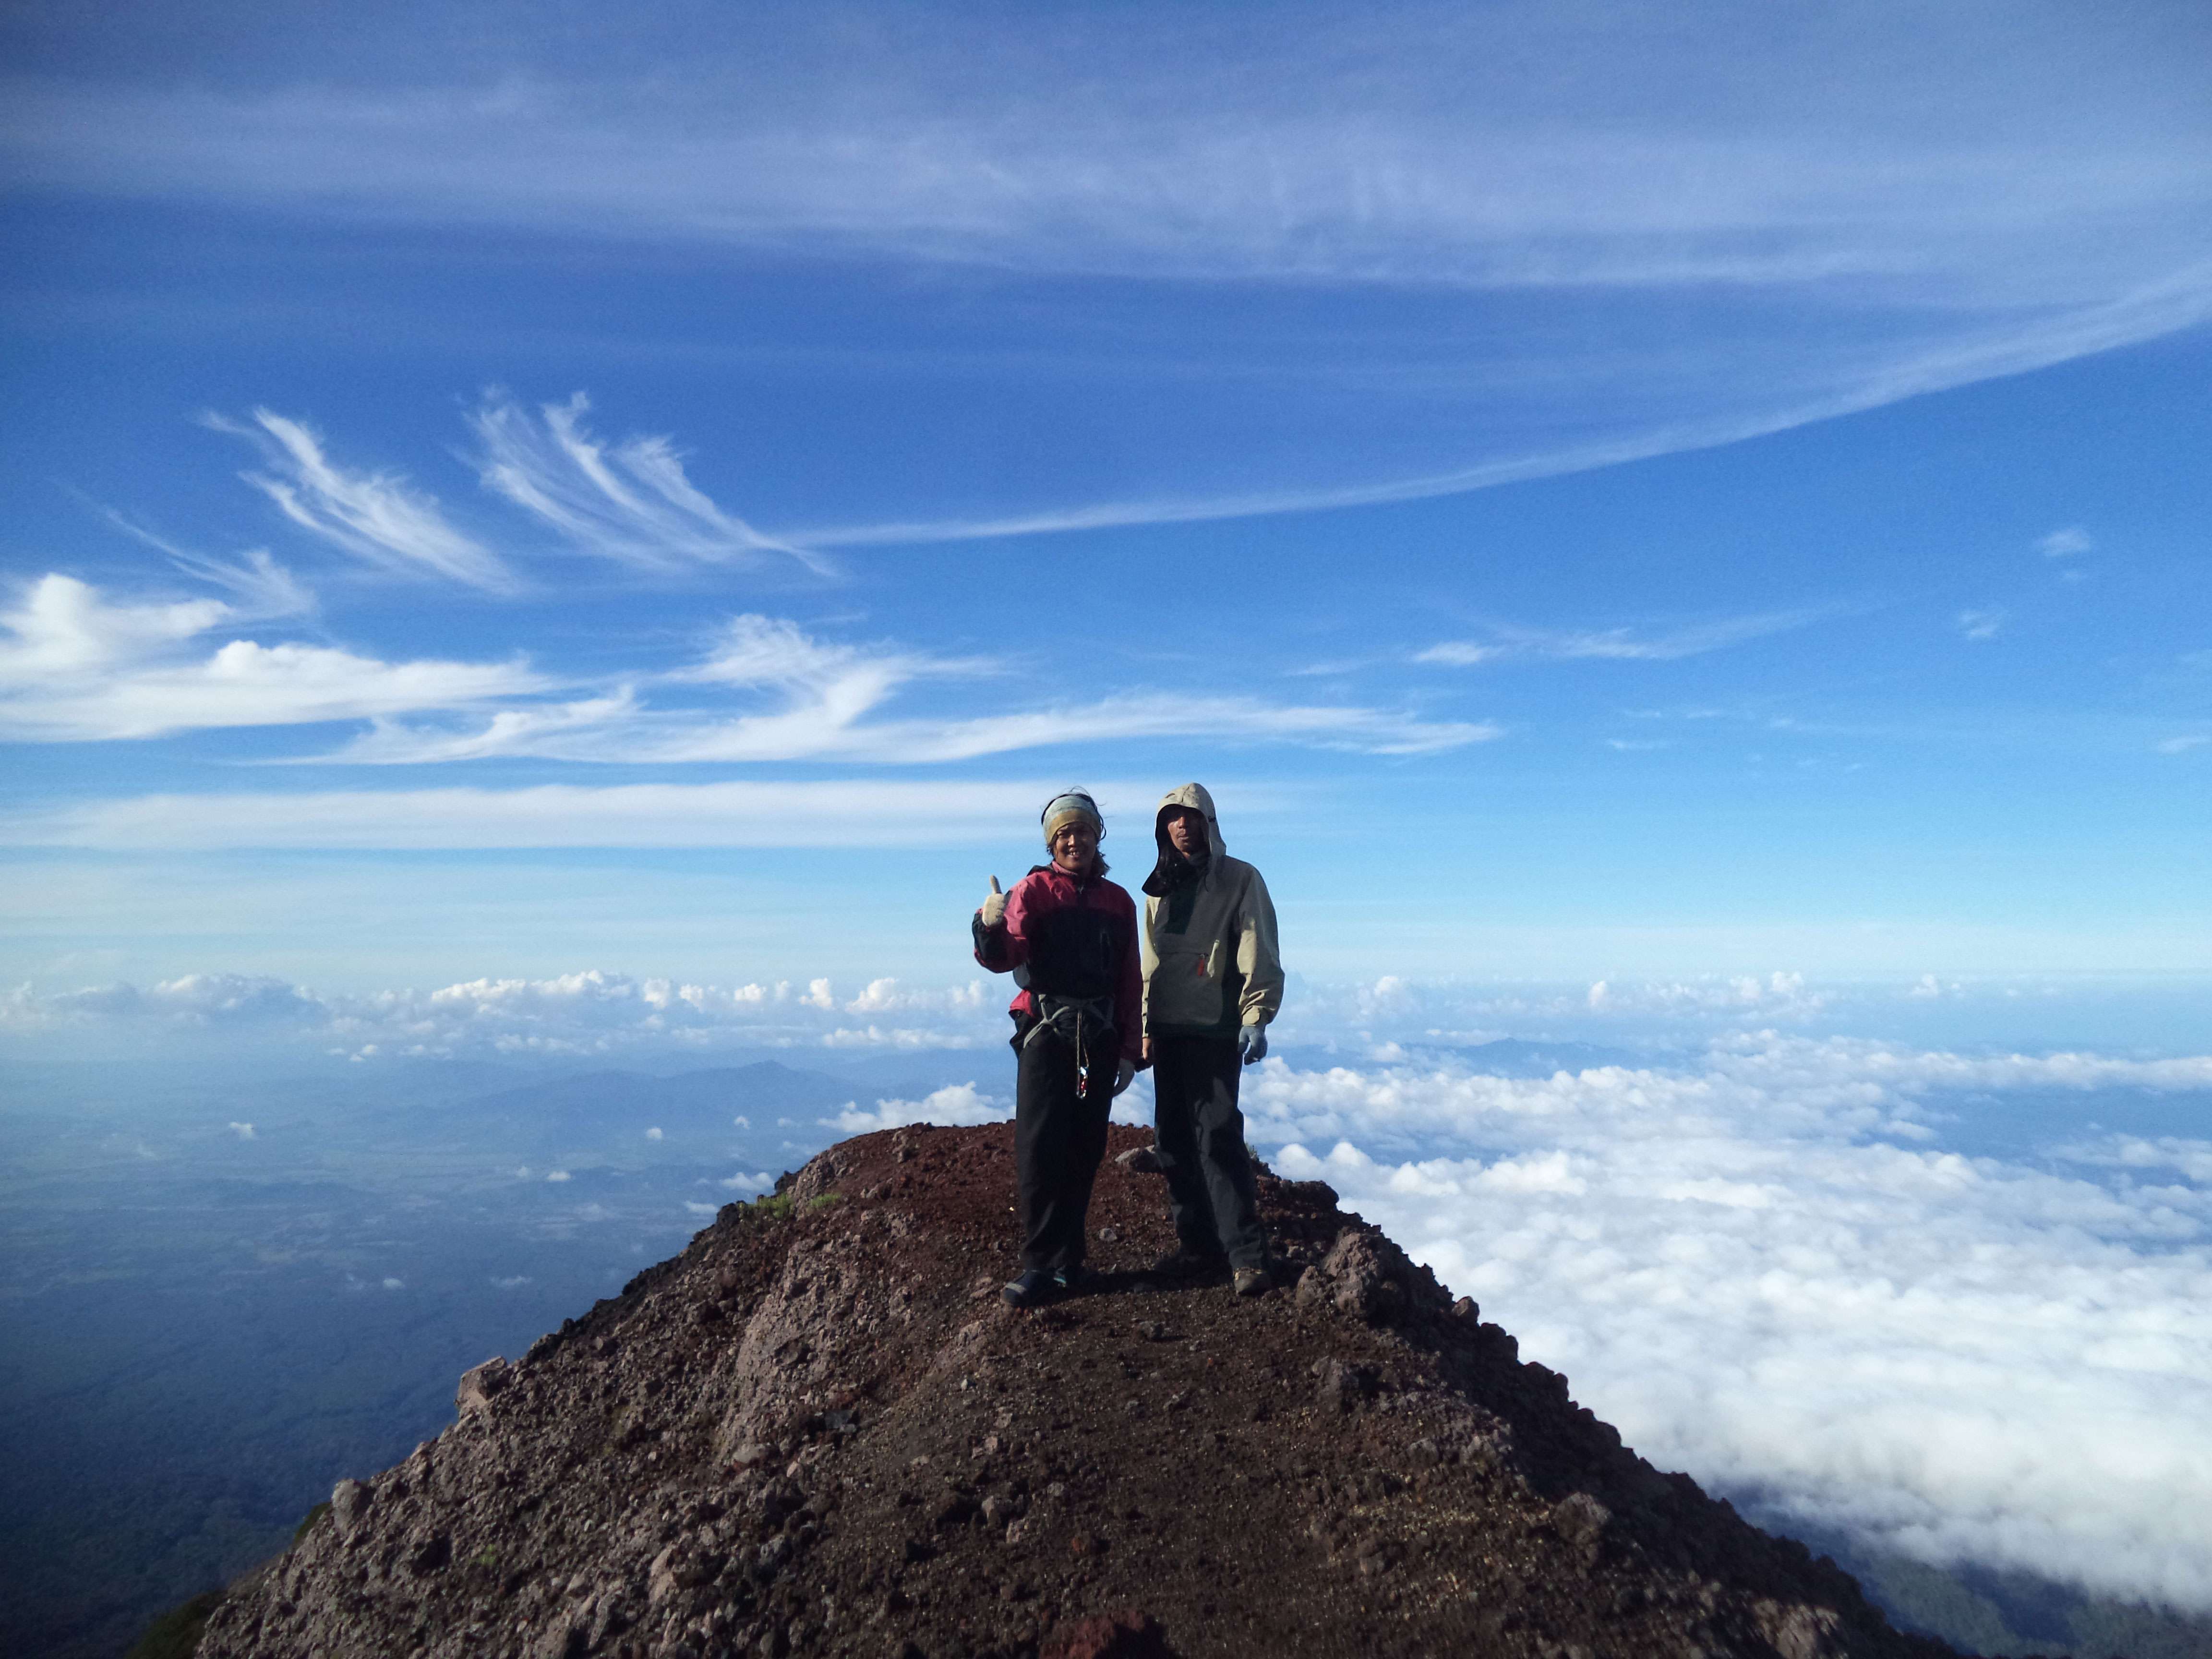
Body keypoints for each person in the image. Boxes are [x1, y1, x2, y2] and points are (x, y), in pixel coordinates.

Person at [972, 788, 1142, 1308]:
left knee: (1084, 1148)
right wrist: (988, 924)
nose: (1075, 840)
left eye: (1083, 831)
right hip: (1048, 1039)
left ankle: (1071, 1261)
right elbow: (1004, 958)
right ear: (1053, 842)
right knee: (1041, 1148)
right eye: (1065, 833)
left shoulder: (1119, 902)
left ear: (1097, 838)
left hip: (1095, 1041)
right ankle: (1040, 1263)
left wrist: (1131, 1052)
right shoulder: (1034, 891)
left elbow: (1130, 979)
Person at [1140, 783, 1283, 1297]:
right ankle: (1196, 1246)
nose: (1183, 826)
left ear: (1210, 823)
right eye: (1173, 819)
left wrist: (1256, 1015)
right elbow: (1150, 966)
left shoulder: (1240, 879)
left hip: (1216, 1028)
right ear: (1163, 828)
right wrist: (1144, 1027)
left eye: (1192, 817)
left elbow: (1256, 946)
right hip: (1169, 1030)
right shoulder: (1157, 886)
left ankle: (1246, 1257)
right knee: (1174, 1143)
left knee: (1218, 1137)